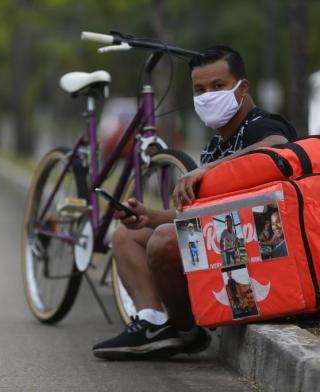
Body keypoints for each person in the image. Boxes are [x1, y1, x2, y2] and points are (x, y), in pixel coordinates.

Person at [92, 45, 297, 360]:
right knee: (128, 236)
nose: (207, 96)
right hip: (226, 240)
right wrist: (149, 216)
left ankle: (185, 331)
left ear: (243, 88)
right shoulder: (216, 144)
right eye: (199, 90)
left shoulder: (263, 124)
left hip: (266, 246)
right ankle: (153, 323)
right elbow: (197, 218)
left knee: (163, 241)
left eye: (218, 86)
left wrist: (207, 169)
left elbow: (278, 147)